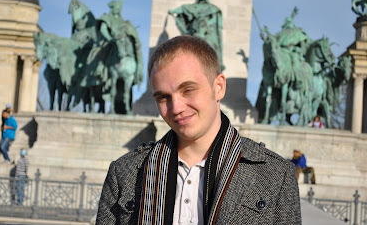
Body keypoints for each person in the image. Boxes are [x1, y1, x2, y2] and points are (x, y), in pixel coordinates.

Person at [96, 35, 301, 224]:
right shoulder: (123, 173)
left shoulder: (276, 175)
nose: (176, 108)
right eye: (163, 97)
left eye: (188, 90)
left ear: (218, 87)